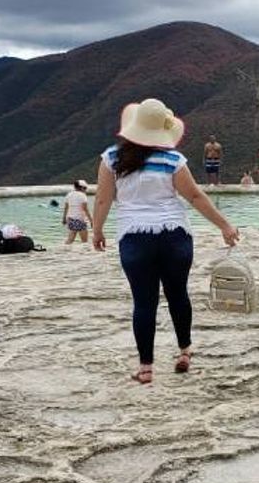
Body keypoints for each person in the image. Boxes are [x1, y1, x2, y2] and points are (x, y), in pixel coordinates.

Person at [92, 98, 239, 385]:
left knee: (143, 303)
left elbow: (102, 198)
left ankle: (146, 368)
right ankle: (184, 351)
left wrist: (97, 230)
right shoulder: (172, 160)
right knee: (178, 294)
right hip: (175, 236)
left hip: (135, 238)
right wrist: (225, 225)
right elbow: (195, 197)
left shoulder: (112, 158)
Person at [62, 179, 92, 245]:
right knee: (85, 241)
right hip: (80, 220)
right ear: (81, 187)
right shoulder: (82, 196)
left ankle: (64, 250)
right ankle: (85, 253)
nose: (85, 190)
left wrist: (64, 219)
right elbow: (85, 209)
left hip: (71, 219)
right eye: (85, 188)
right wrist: (91, 220)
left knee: (70, 239)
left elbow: (66, 208)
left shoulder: (69, 195)